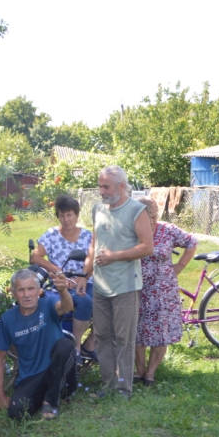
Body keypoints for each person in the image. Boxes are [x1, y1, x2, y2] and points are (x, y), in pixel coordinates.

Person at [84, 165, 154, 397]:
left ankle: (124, 386)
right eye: (100, 185)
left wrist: (114, 256)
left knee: (124, 337)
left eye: (106, 186)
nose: (101, 191)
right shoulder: (98, 210)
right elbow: (94, 244)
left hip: (125, 285)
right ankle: (108, 384)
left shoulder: (136, 210)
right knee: (102, 335)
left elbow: (147, 247)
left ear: (122, 186)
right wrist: (85, 275)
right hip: (101, 285)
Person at [0, 268, 77, 419]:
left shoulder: (48, 304)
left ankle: (51, 401)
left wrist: (63, 291)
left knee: (65, 345)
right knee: (16, 412)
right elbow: (0, 358)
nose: (26, 295)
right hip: (31, 378)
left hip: (58, 371)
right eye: (21, 290)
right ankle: (44, 398)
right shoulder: (7, 319)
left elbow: (67, 307)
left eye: (31, 289)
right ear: (13, 293)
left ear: (38, 290)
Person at [133, 198, 197, 386]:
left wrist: (180, 265)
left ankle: (151, 373)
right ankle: (140, 370)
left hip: (163, 290)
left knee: (162, 329)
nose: (151, 221)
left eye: (154, 216)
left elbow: (191, 242)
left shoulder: (167, 230)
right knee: (139, 329)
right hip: (138, 288)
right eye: (147, 218)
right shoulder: (133, 231)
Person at [31, 194, 95, 358]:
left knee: (109, 304)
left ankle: (90, 344)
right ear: (58, 216)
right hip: (61, 283)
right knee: (85, 301)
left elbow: (93, 260)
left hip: (86, 280)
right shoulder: (51, 235)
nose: (66, 219)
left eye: (69, 215)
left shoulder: (88, 236)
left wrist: (83, 277)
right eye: (62, 215)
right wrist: (57, 271)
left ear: (77, 215)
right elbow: (35, 257)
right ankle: (76, 348)